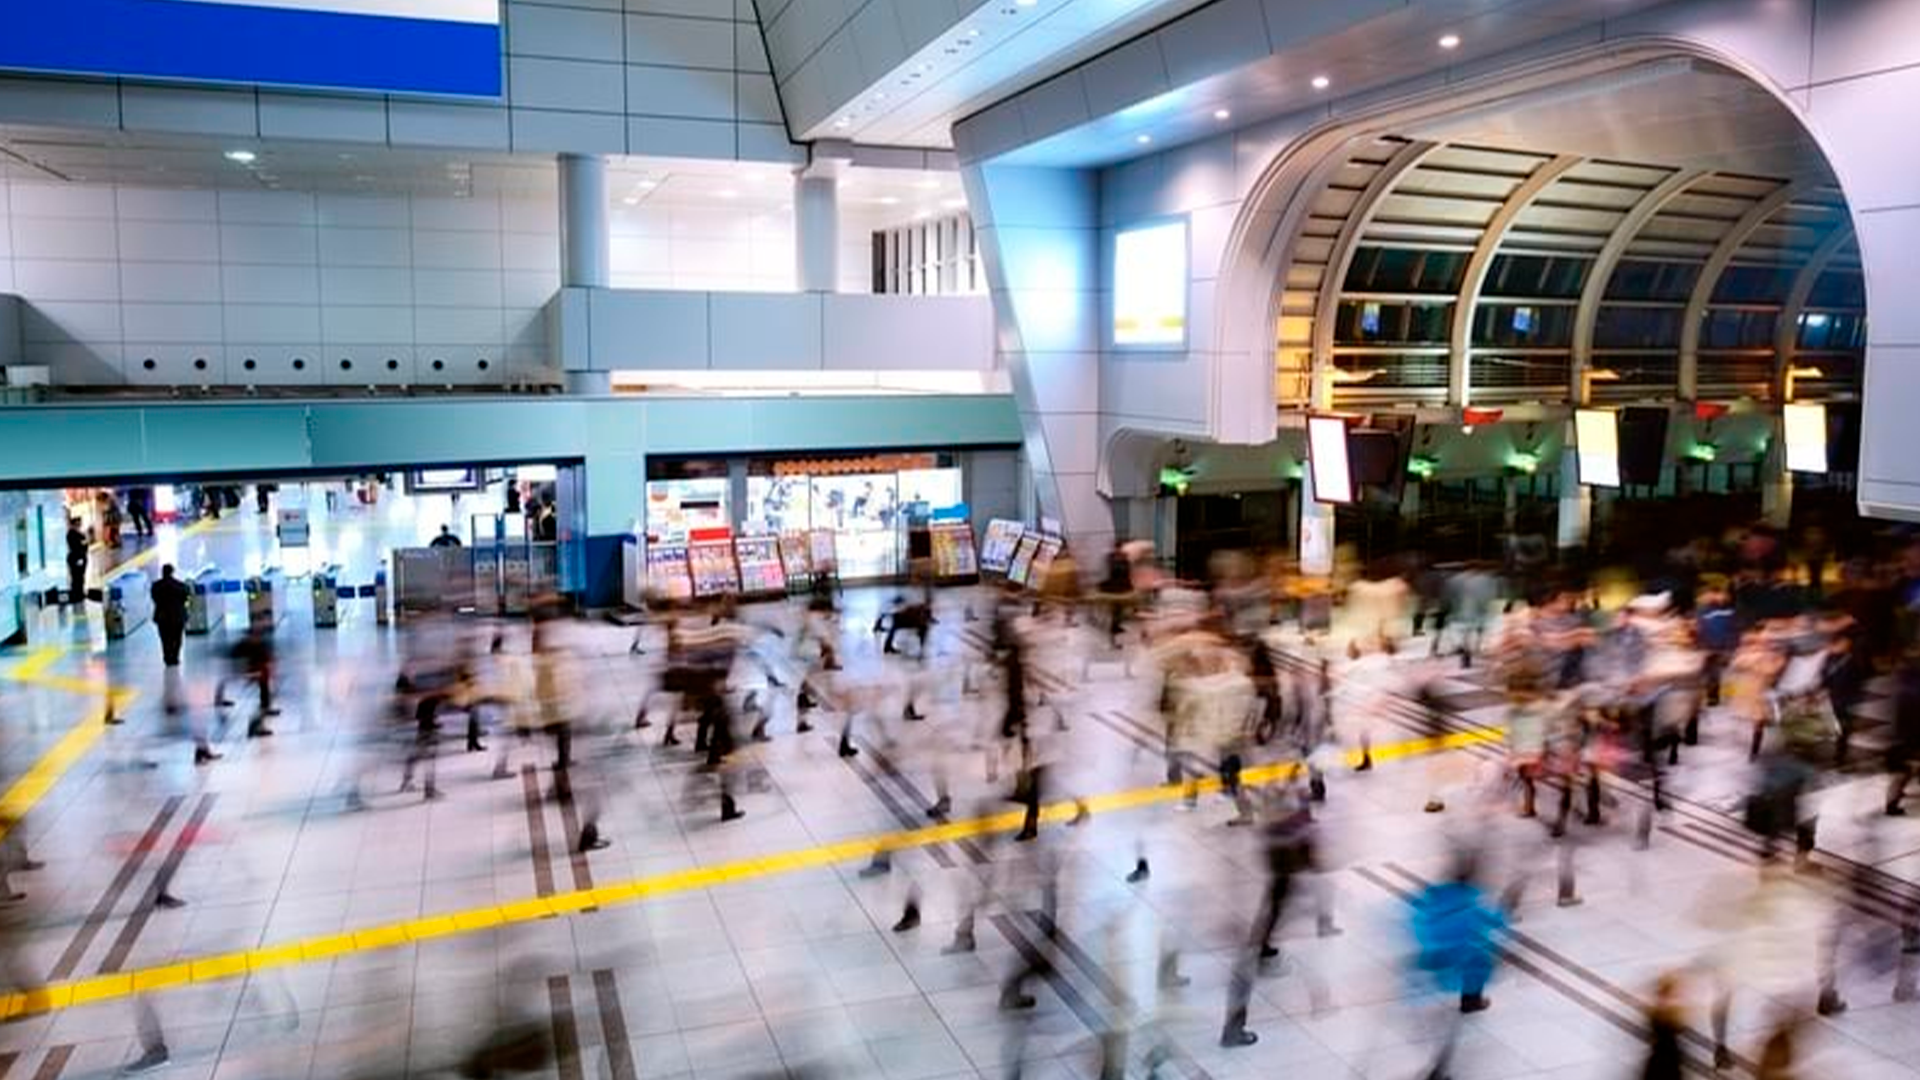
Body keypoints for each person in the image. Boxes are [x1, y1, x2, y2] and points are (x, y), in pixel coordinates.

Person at [150, 565, 189, 667]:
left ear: (162, 572)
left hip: (162, 617)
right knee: (177, 638)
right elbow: (185, 599)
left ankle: (167, 658)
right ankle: (175, 657)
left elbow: (155, 599)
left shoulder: (156, 586)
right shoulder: (181, 586)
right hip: (178, 617)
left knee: (165, 639)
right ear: (172, 572)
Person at [64, 517, 88, 606]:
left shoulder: (79, 533)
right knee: (76, 577)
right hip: (76, 557)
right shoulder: (71, 534)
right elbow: (77, 546)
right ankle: (76, 595)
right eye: (78, 523)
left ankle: (80, 593)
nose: (79, 525)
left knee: (80, 577)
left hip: (81, 556)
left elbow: (85, 544)